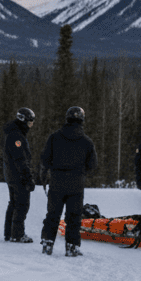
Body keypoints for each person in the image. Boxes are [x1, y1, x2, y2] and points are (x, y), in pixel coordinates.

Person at [40, 106, 98, 256]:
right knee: (74, 217)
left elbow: (45, 159)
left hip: (57, 181)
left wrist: (47, 172)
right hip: (76, 184)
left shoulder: (54, 137)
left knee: (53, 214)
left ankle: (47, 243)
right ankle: (72, 247)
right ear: (82, 120)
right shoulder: (86, 141)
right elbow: (92, 164)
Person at [2, 107, 37, 243]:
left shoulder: (14, 133)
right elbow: (20, 159)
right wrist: (27, 177)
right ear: (23, 121)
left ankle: (9, 233)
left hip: (11, 175)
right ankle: (17, 234)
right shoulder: (16, 136)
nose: (31, 125)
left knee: (14, 203)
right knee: (22, 204)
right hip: (17, 176)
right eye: (30, 122)